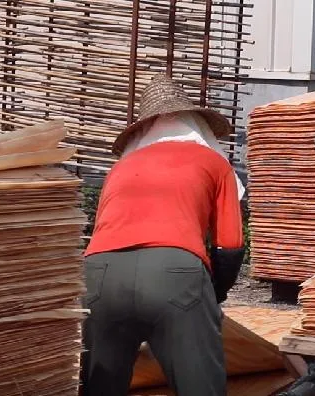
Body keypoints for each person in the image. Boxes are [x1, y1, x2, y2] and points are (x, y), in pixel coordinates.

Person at [80, 74, 245, 396]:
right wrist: (213, 295)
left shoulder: (120, 168)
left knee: (99, 387)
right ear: (200, 129)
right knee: (200, 386)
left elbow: (104, 228)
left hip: (98, 274)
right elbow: (230, 244)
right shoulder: (213, 161)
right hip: (174, 271)